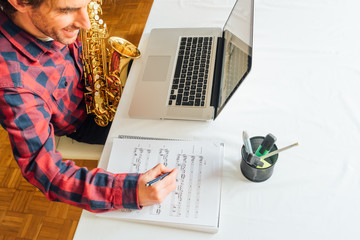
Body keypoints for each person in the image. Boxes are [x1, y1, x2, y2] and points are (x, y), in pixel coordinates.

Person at [0, 0, 178, 213]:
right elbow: (47, 173)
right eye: (67, 10)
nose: (86, 23)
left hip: (94, 78)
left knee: (173, 78)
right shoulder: (12, 83)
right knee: (170, 130)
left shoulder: (51, 20)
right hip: (86, 120)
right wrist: (131, 192)